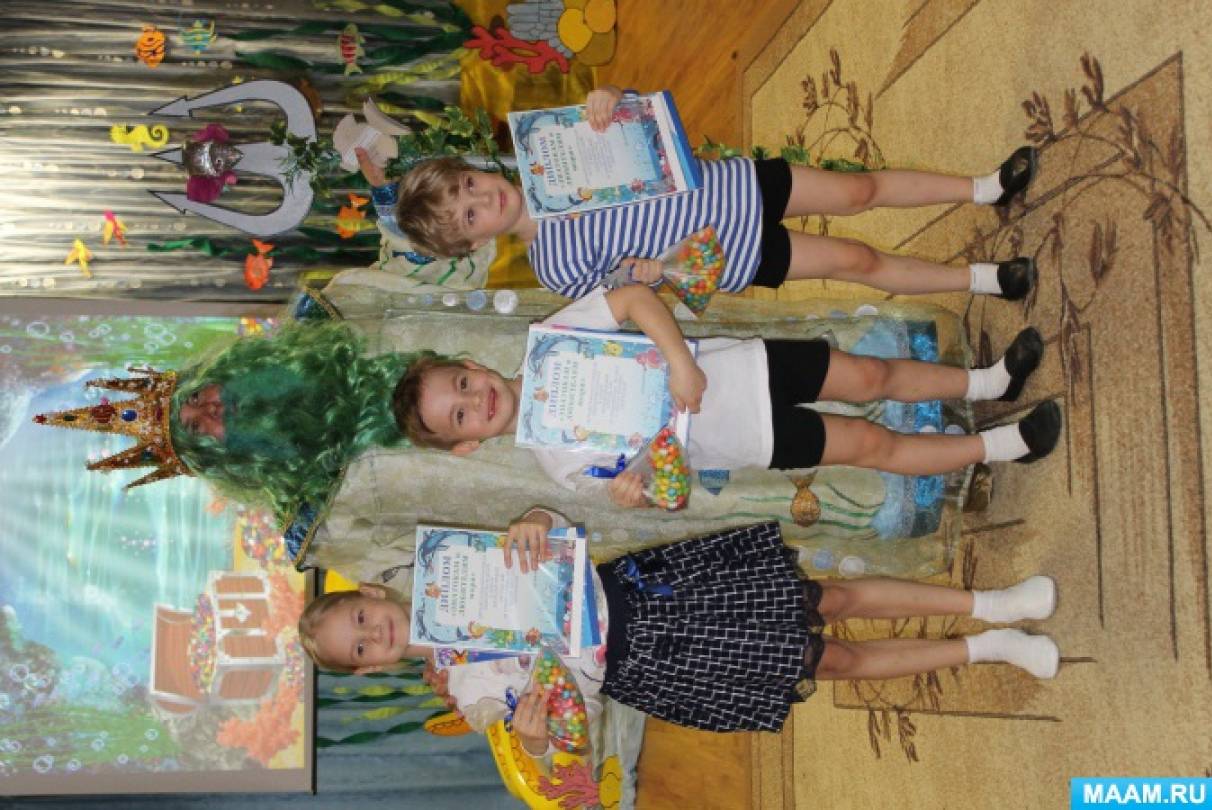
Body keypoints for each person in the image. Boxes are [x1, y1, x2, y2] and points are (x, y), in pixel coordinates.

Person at [299, 517, 1060, 750]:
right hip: (656, 664)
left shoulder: (448, 561)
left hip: (652, 590)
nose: (374, 633)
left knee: (830, 596)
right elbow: (571, 736)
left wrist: (532, 524)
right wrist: (538, 737)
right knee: (833, 660)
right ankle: (989, 648)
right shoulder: (470, 692)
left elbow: (556, 534)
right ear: (370, 670)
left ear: (370, 592)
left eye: (359, 617)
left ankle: (989, 602)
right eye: (359, 648)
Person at [391, 283, 1061, 508]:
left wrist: (681, 360)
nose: (475, 400)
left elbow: (634, 299)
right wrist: (639, 490)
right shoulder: (558, 464)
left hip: (744, 368)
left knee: (869, 376)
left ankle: (989, 381)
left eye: (462, 384)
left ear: (472, 365)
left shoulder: (551, 339)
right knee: (872, 445)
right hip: (749, 438)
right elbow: (666, 489)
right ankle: (1002, 446)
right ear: (468, 444)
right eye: (459, 416)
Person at [359, 85, 1040, 302]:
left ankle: (982, 188)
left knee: (858, 191)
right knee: (856, 262)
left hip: (731, 184)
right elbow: (635, 293)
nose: (484, 199)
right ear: (473, 243)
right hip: (727, 253)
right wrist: (649, 275)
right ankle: (980, 280)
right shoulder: (555, 269)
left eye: (470, 185)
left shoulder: (547, 148)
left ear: (475, 168)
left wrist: (611, 99)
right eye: (469, 214)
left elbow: (643, 129)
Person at [169, 320, 428, 521]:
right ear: (217, 457)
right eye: (196, 427)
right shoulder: (328, 517)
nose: (210, 408)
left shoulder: (337, 314)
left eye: (196, 396)